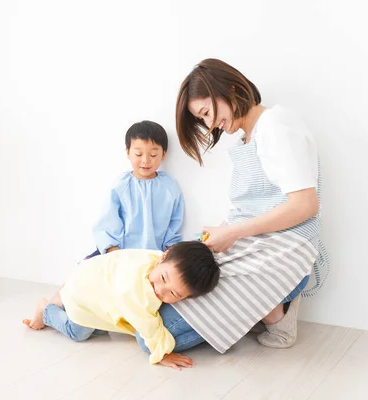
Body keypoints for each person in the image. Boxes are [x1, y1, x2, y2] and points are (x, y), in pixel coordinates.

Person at [136, 58, 329, 355]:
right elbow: (250, 207)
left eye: (207, 112)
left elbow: (305, 205)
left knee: (150, 337)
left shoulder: (277, 126)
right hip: (254, 242)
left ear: (232, 89)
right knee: (163, 294)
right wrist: (216, 237)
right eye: (202, 119)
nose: (210, 124)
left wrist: (234, 233)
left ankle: (276, 307)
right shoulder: (246, 139)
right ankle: (267, 308)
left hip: (286, 247)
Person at [23, 241, 220, 370]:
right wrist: (161, 354)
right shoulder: (137, 290)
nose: (160, 289)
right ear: (164, 257)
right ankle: (46, 310)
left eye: (173, 294)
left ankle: (64, 301)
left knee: (98, 331)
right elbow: (149, 328)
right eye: (162, 278)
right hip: (84, 291)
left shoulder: (158, 260)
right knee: (79, 332)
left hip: (96, 280)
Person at [85, 120, 184, 259]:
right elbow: (108, 219)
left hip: (154, 255)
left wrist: (171, 250)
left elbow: (174, 223)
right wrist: (114, 252)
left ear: (163, 154)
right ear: (128, 152)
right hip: (120, 253)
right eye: (138, 154)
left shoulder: (170, 186)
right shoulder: (121, 184)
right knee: (84, 269)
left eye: (153, 155)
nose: (145, 160)